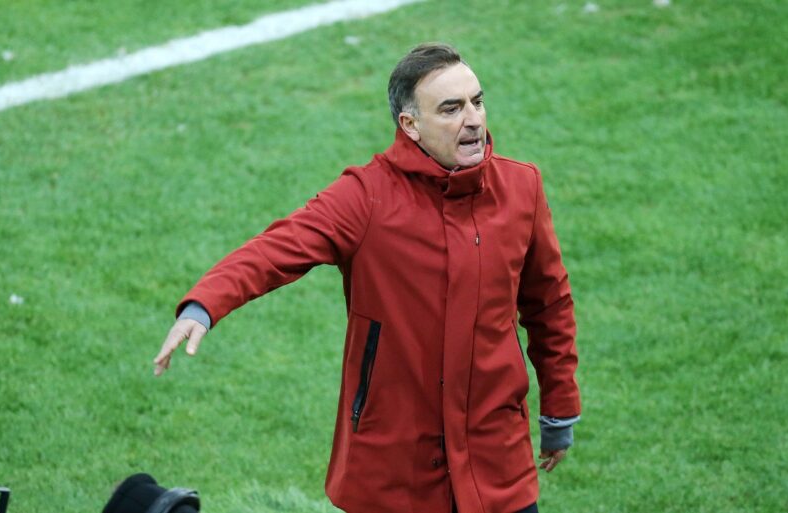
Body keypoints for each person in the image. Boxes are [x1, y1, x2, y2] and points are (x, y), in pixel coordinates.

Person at [154, 43, 580, 513]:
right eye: (451, 109)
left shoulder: (521, 188)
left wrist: (559, 408)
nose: (474, 120)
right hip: (395, 467)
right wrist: (205, 305)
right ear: (410, 125)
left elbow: (549, 304)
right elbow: (277, 248)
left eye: (477, 102)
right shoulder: (366, 197)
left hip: (497, 460)